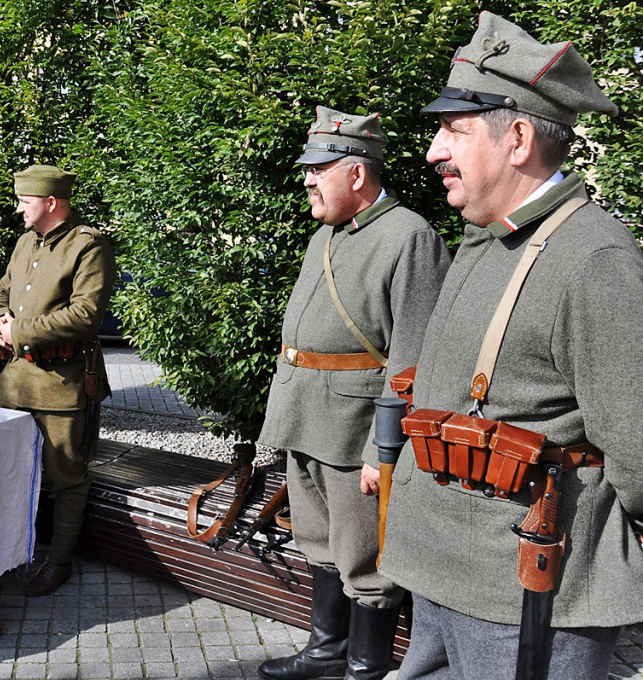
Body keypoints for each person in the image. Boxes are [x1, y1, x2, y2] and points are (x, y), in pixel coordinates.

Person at [378, 12, 641, 679]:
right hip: (441, 564)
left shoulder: (593, 258)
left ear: (518, 137)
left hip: (522, 590)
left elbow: (638, 450)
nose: (433, 150)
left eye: (453, 130)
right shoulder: (487, 239)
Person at [257, 108, 451, 680]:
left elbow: (414, 359)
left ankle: (365, 668)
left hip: (355, 428)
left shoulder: (409, 236)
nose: (307, 179)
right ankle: (326, 651)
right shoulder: (327, 233)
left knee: (366, 557)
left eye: (320, 169)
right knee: (317, 538)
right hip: (304, 414)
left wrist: (382, 449)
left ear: (358, 174)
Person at [0, 164, 116, 596]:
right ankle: (13, 551)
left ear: (50, 203)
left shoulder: (88, 246)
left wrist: (18, 332)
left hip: (62, 384)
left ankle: (57, 561)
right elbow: (2, 292)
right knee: (10, 470)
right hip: (16, 381)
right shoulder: (26, 242)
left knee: (66, 478)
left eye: (24, 201)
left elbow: (85, 314)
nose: (18, 208)